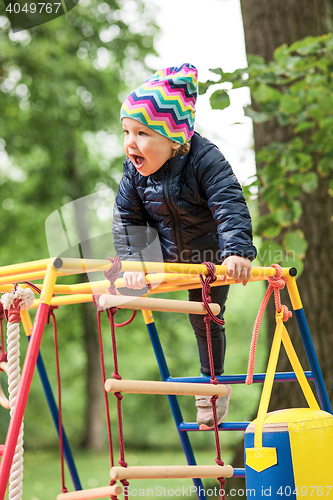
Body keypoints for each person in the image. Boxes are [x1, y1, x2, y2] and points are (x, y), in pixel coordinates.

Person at [112, 63, 257, 430]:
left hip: (210, 261)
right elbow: (128, 217)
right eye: (127, 131)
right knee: (117, 278)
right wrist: (134, 262)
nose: (131, 143)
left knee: (205, 316)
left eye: (143, 133)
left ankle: (212, 387)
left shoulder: (205, 159)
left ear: (174, 140)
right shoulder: (134, 172)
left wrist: (236, 252)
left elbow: (229, 204)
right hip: (167, 257)